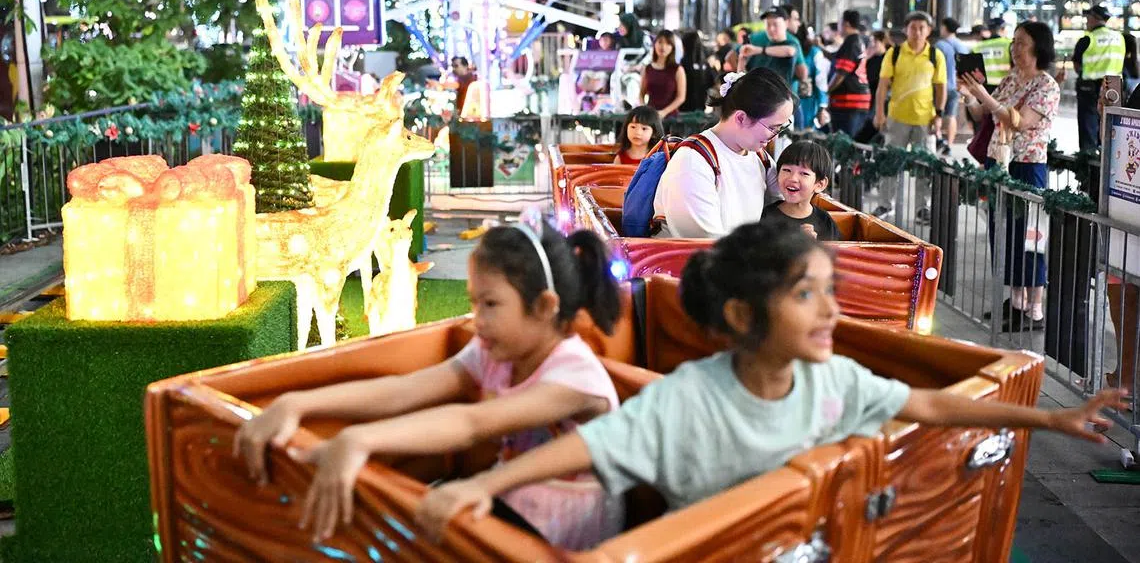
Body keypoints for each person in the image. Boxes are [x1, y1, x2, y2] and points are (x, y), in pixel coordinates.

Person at [416, 222, 1127, 540]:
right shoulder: (689, 397)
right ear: (742, 314)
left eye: (829, 289)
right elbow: (585, 450)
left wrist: (1051, 420)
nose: (832, 311)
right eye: (805, 295)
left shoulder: (836, 381)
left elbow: (931, 403)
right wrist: (480, 485)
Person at [232, 220, 624, 549]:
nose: (477, 320)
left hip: (561, 534)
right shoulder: (496, 350)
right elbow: (405, 390)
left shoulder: (576, 378)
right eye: (474, 303)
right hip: (503, 499)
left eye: (490, 304)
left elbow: (473, 423)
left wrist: (361, 439)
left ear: (543, 307)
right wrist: (298, 402)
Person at [960, 22, 1061, 331]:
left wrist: (984, 97)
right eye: (1014, 43)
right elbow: (982, 115)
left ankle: (1035, 308)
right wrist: (968, 95)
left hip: (1027, 164)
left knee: (1029, 235)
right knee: (1001, 231)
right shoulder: (1011, 79)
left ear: (1039, 48)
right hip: (999, 162)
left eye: (1022, 44)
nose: (1015, 49)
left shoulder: (1046, 86)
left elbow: (1019, 121)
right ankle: (1015, 302)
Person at [651, 68, 792, 239]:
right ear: (741, 118)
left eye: (781, 127)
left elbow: (787, 208)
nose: (775, 136)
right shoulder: (692, 161)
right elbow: (704, 242)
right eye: (772, 128)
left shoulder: (760, 158)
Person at [872, 11, 947, 222]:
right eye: (913, 27)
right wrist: (880, 113)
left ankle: (923, 208)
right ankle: (885, 204)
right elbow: (882, 86)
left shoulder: (935, 55)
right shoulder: (894, 53)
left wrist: (939, 115)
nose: (917, 32)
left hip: (926, 119)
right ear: (906, 30)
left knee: (924, 165)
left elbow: (941, 88)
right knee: (890, 163)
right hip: (897, 119)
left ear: (929, 31)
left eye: (922, 28)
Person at [1056, 4, 1126, 151]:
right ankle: (1109, 159)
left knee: (1088, 126)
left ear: (1094, 19)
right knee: (1111, 125)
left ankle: (1088, 164)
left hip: (1089, 87)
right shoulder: (1119, 38)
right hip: (1113, 87)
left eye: (1088, 18)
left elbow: (1076, 65)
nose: (1087, 21)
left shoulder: (1088, 38)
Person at [762, 141, 840, 241]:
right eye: (787, 170)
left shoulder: (825, 221)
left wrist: (812, 246)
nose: (793, 178)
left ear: (820, 184)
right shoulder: (767, 215)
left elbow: (832, 254)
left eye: (804, 173)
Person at [740, 7, 808, 92]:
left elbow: (790, 51)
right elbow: (740, 61)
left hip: (781, 95)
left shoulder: (792, 42)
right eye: (768, 24)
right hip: (756, 93)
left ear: (786, 23)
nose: (771, 29)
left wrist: (759, 50)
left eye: (775, 24)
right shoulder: (754, 38)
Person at [827, 10, 871, 137]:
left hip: (848, 103)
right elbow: (837, 60)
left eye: (840, 22)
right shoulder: (859, 40)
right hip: (857, 101)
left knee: (844, 143)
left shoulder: (851, 42)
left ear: (845, 24)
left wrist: (827, 91)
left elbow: (841, 73)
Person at [935, 17, 969, 153]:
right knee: (951, 115)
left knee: (936, 113)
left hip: (940, 85)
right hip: (956, 86)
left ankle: (938, 138)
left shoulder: (940, 45)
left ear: (944, 28)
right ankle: (949, 144)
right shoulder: (962, 46)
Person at [640, 30, 687, 118]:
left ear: (672, 47)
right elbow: (641, 94)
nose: (663, 47)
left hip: (671, 118)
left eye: (668, 43)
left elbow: (681, 97)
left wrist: (663, 112)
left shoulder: (678, 70)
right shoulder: (647, 68)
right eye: (660, 42)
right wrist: (644, 109)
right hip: (650, 117)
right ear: (654, 44)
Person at [977, 18, 1012, 94]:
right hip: (1004, 86)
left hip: (982, 87)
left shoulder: (978, 47)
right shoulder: (1009, 44)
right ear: (1003, 29)